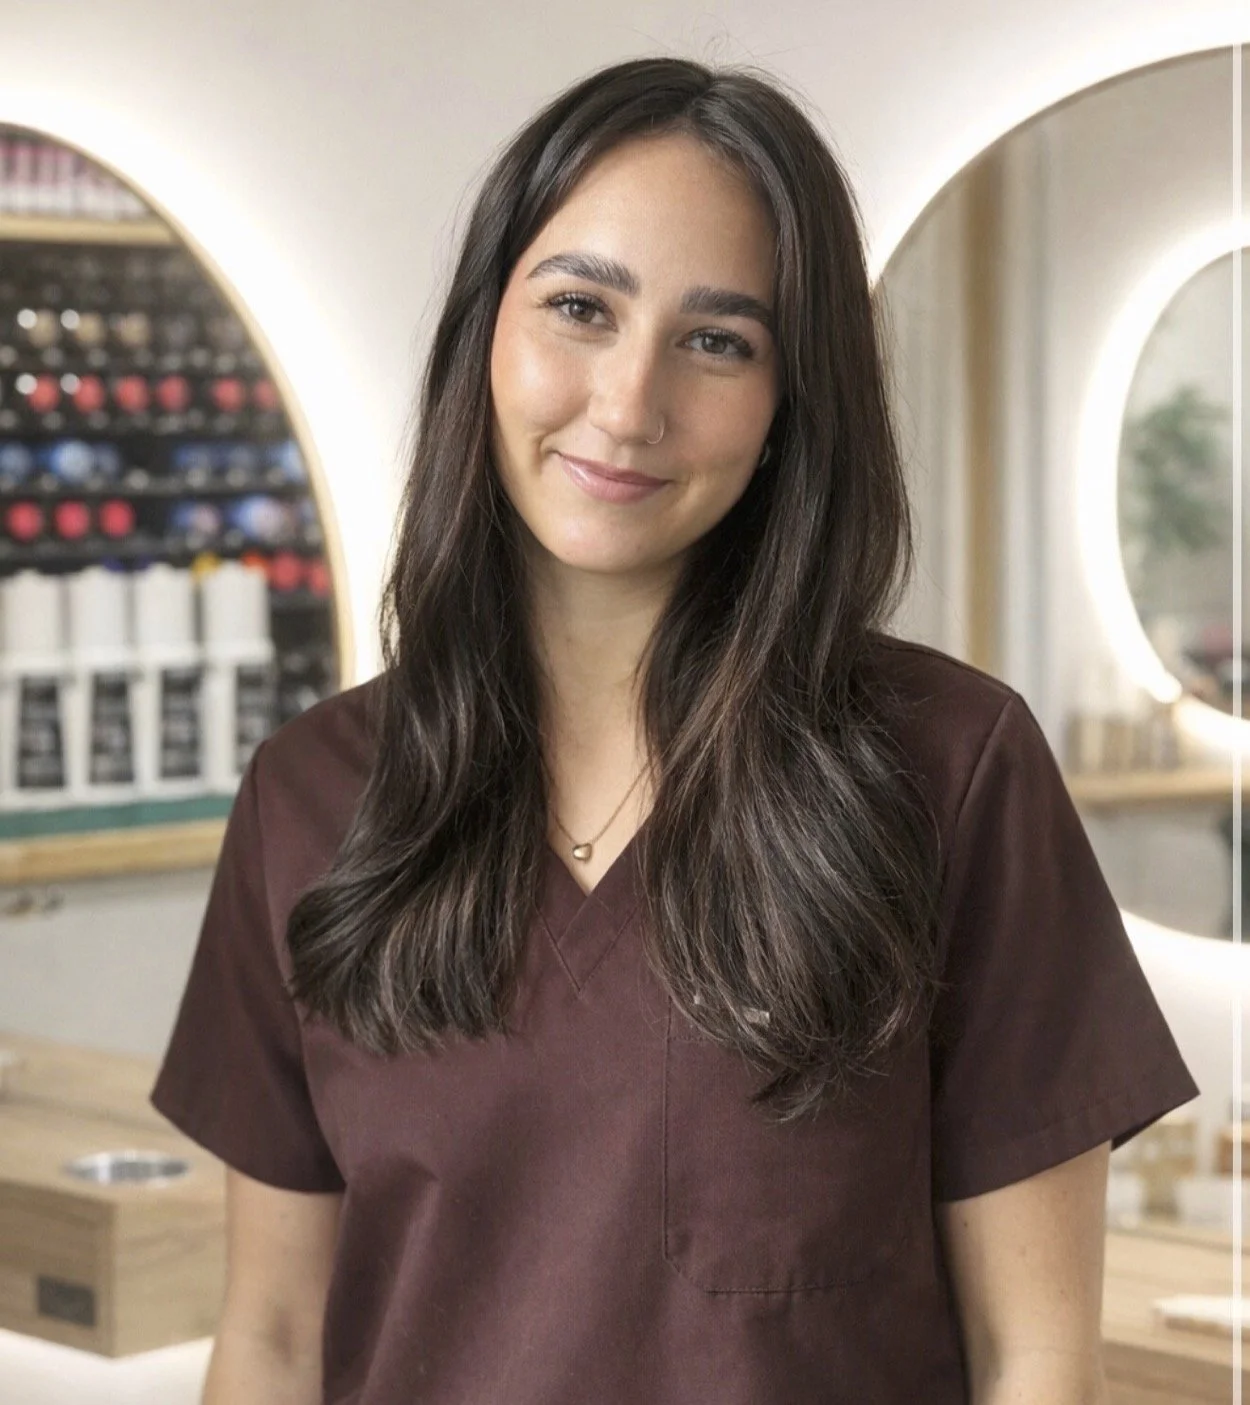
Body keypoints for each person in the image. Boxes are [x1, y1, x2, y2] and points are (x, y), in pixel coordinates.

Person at [150, 56, 1199, 1405]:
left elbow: (1036, 1358)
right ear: (486, 331)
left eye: (717, 340)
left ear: (785, 408)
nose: (628, 404)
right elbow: (278, 1340)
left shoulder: (950, 772)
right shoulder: (313, 798)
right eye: (580, 308)